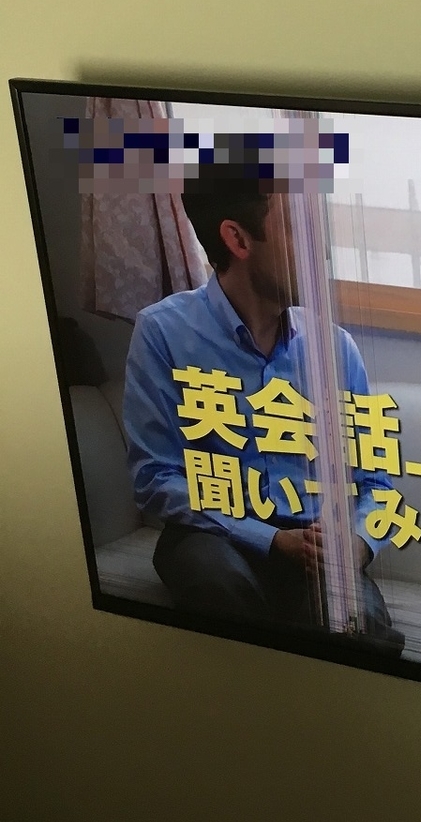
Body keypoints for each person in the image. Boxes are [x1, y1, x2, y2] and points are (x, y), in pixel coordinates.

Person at [123, 181, 402, 650]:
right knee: (222, 591)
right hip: (211, 534)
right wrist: (268, 539)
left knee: (361, 629)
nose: (321, 251)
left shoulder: (335, 348)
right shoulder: (162, 332)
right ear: (237, 239)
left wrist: (355, 544)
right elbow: (155, 477)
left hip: (312, 542)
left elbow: (376, 483)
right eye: (300, 230)